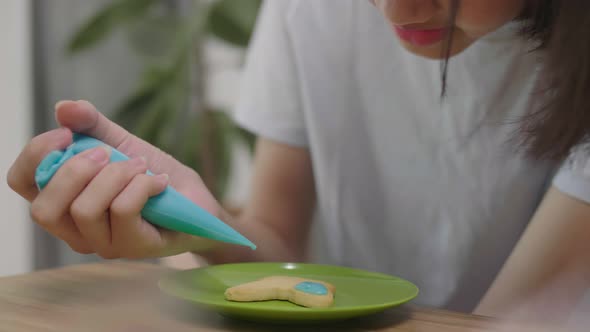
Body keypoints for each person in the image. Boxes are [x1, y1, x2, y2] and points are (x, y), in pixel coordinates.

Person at [7, 0, 590, 323]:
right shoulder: (311, 10)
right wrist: (198, 214)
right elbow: (277, 252)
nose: (394, 8)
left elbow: (516, 319)